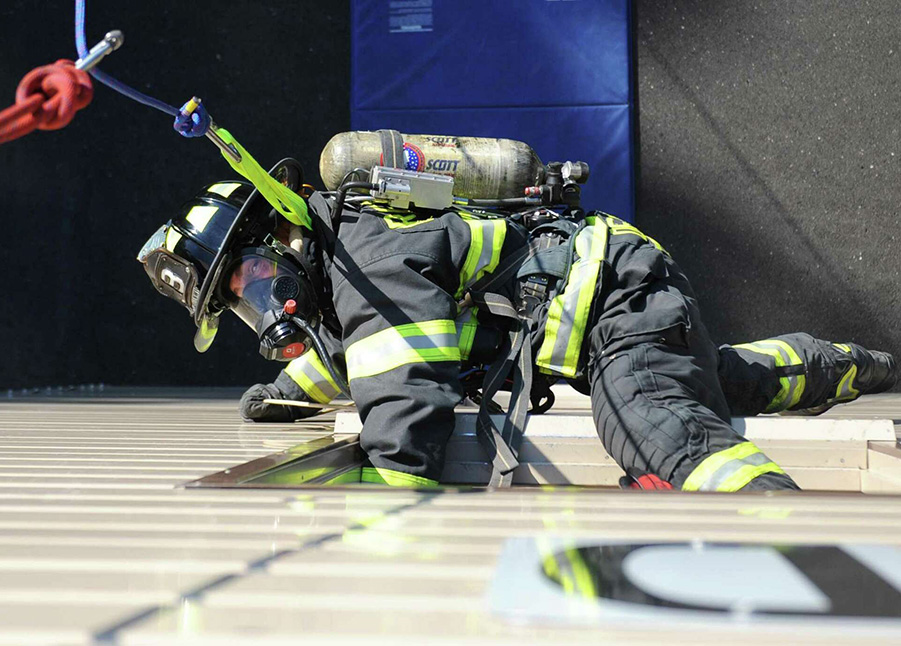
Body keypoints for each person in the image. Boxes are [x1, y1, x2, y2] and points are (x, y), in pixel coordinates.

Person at [138, 158, 896, 491]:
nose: (267, 310)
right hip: (607, 295)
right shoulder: (349, 267)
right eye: (242, 305)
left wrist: (382, 492)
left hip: (612, 297)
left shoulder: (365, 253)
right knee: (715, 383)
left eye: (256, 283)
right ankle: (852, 364)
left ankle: (791, 529)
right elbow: (349, 350)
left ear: (283, 236)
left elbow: (401, 391)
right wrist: (290, 388)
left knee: (652, 429)